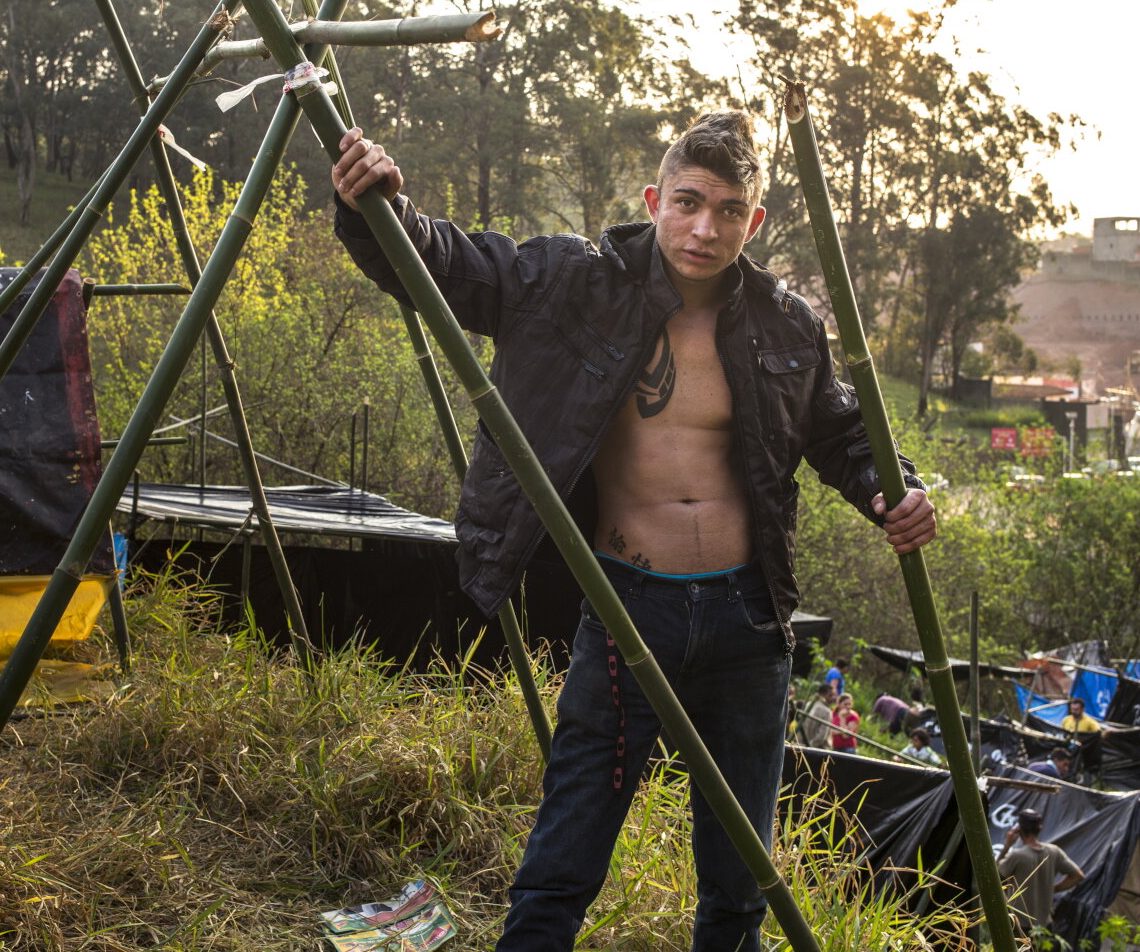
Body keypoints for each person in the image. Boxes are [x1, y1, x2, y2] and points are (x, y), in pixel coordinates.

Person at [331, 111, 936, 952]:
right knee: (568, 845)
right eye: (688, 202)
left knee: (738, 876)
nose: (704, 228)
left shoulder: (786, 322)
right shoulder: (572, 280)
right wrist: (379, 203)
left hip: (750, 621)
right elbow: (445, 264)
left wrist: (892, 491)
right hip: (626, 609)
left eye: (728, 211)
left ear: (754, 223)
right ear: (654, 199)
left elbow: (843, 435)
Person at [997, 808, 1084, 937]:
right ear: (1040, 828)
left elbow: (994, 877)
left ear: (1019, 830)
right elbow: (1078, 876)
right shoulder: (1054, 851)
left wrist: (1007, 845)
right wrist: (1052, 889)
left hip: (1019, 926)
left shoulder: (1017, 855)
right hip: (1044, 926)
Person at [802, 683, 835, 749]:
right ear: (822, 695)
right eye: (830, 695)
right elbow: (822, 735)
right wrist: (810, 746)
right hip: (817, 749)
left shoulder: (808, 705)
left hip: (803, 746)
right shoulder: (827, 711)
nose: (832, 698)